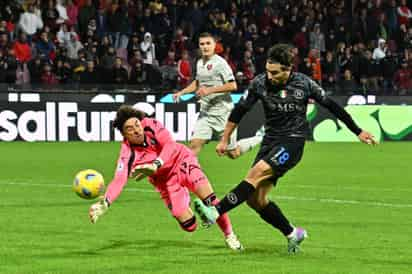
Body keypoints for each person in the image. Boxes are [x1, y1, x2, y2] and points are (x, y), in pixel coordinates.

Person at [193, 44, 378, 254]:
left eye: (274, 72)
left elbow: (332, 106)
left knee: (256, 173)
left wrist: (358, 131)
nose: (269, 76)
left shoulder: (304, 84)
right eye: (267, 71)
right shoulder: (260, 83)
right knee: (256, 200)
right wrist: (225, 138)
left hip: (293, 141)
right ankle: (293, 234)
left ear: (288, 69)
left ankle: (215, 212)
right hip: (270, 141)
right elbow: (240, 110)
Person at [88, 105, 243, 251]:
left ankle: (230, 236)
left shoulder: (151, 124)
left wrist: (156, 164)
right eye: (130, 129)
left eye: (136, 124)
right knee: (189, 226)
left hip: (182, 161)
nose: (136, 130)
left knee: (210, 200)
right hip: (164, 181)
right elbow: (119, 179)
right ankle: (198, 210)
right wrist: (105, 203)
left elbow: (169, 144)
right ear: (124, 135)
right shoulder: (127, 153)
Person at [173, 32, 261, 158]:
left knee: (232, 153)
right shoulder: (199, 62)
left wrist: (209, 90)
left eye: (208, 43)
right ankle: (190, 177)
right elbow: (198, 82)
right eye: (202, 44)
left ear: (214, 45)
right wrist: (182, 92)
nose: (205, 47)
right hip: (206, 113)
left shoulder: (221, 64)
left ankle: (257, 138)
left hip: (223, 114)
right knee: (194, 145)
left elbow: (232, 86)